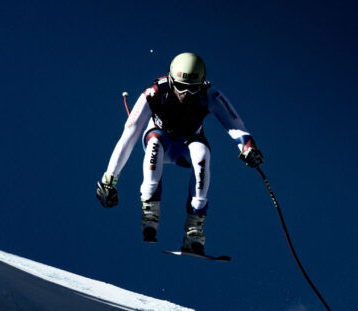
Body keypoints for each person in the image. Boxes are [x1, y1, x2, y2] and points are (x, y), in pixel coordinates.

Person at [96, 52, 264, 255]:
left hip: (188, 144)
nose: (186, 94)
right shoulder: (154, 93)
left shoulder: (209, 94)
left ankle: (194, 228)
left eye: (192, 88)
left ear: (201, 84)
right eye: (181, 86)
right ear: (170, 79)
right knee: (155, 145)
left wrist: (248, 148)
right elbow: (128, 136)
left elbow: (235, 125)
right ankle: (150, 211)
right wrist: (109, 180)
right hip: (160, 139)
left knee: (202, 153)